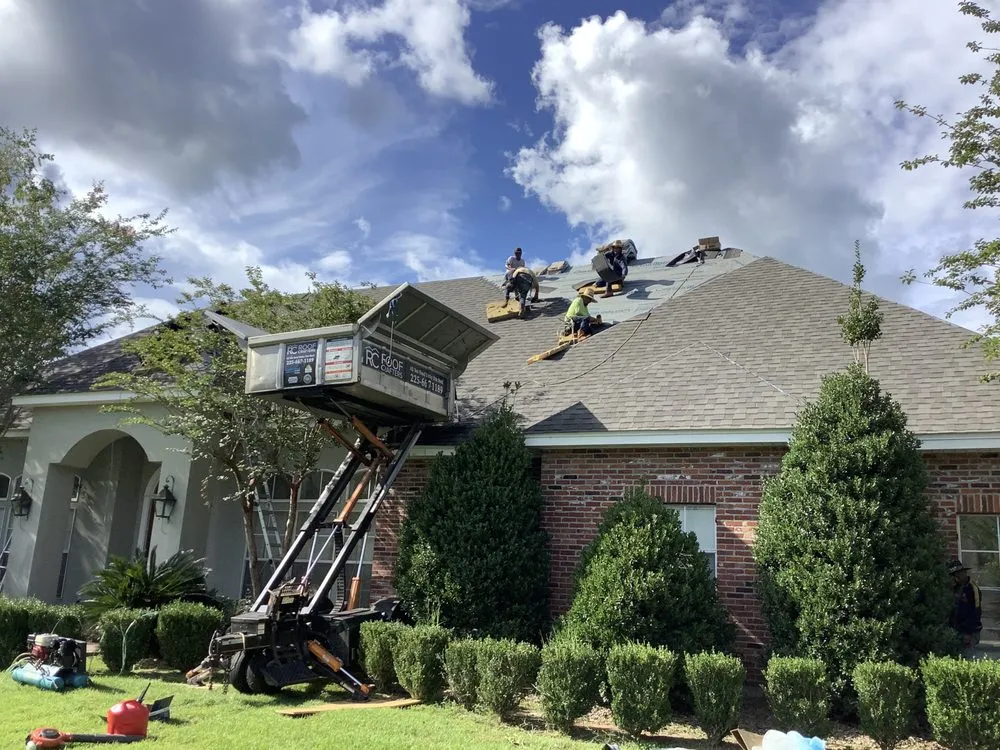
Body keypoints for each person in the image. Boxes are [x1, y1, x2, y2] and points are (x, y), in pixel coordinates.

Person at [948, 558, 982, 655]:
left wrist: (968, 633)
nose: (957, 577)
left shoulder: (972, 589)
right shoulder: (954, 588)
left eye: (959, 573)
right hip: (954, 630)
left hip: (969, 632)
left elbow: (976, 612)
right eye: (954, 575)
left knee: (967, 657)